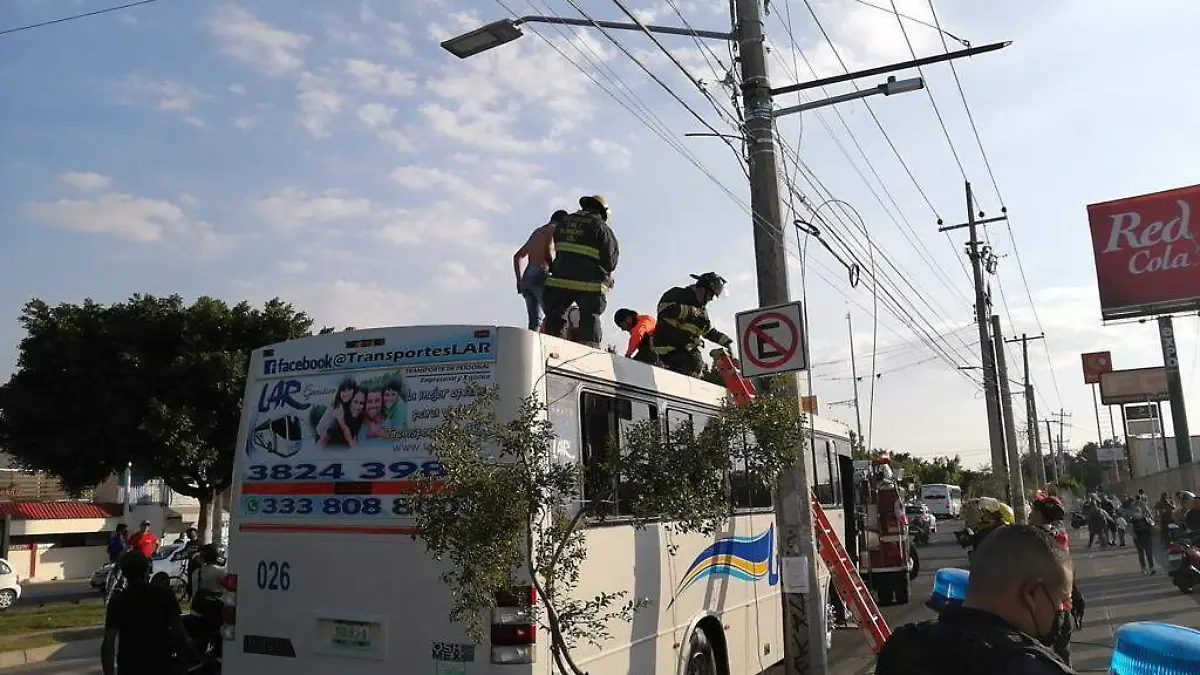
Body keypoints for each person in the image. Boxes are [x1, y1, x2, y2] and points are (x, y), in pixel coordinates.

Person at [875, 525, 1077, 675]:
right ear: (1031, 594)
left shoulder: (902, 646)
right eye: (1063, 600)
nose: (1064, 609)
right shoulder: (1031, 667)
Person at [101, 551, 197, 675]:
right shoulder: (164, 594)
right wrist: (184, 664)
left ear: (124, 574)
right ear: (147, 569)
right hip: (161, 664)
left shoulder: (118, 600)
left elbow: (108, 644)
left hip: (129, 666)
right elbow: (178, 631)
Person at [542, 195, 619, 348]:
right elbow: (610, 261)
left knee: (555, 315)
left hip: (559, 280)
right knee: (590, 316)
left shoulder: (564, 222)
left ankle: (552, 346)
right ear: (603, 212)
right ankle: (590, 350)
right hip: (588, 284)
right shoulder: (601, 227)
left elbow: (556, 247)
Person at [1028, 496, 1085, 664]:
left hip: (1041, 608)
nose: (1030, 515)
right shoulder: (1060, 536)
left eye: (1033, 511)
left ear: (1040, 515)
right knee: (1062, 654)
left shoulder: (1032, 538)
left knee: (1039, 655)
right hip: (1063, 605)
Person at [651, 272, 733, 377]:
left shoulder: (702, 311)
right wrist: (689, 311)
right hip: (667, 353)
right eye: (711, 294)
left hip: (687, 357)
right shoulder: (677, 294)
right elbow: (663, 310)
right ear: (703, 289)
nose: (711, 299)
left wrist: (727, 342)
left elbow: (708, 331)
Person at [513, 210, 565, 331]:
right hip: (540, 274)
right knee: (553, 315)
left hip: (526, 278)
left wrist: (519, 281)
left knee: (534, 322)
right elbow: (548, 249)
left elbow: (517, 257)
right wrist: (553, 268)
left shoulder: (537, 232)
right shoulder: (554, 230)